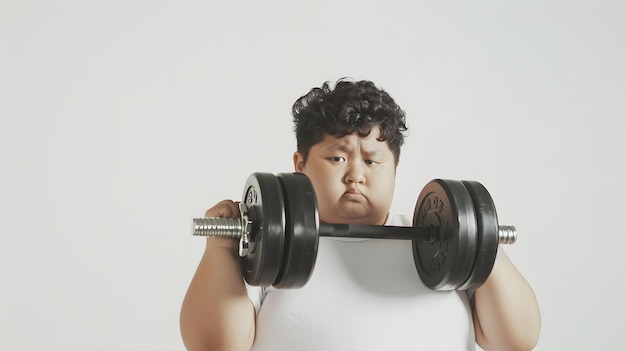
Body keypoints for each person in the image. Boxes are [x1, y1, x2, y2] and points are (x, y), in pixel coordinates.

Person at [180, 79, 541, 350]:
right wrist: (220, 250)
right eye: (337, 158)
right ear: (300, 165)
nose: (356, 174)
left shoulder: (451, 251)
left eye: (371, 160)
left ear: (395, 168)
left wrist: (483, 240)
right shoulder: (268, 250)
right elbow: (216, 346)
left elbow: (516, 340)